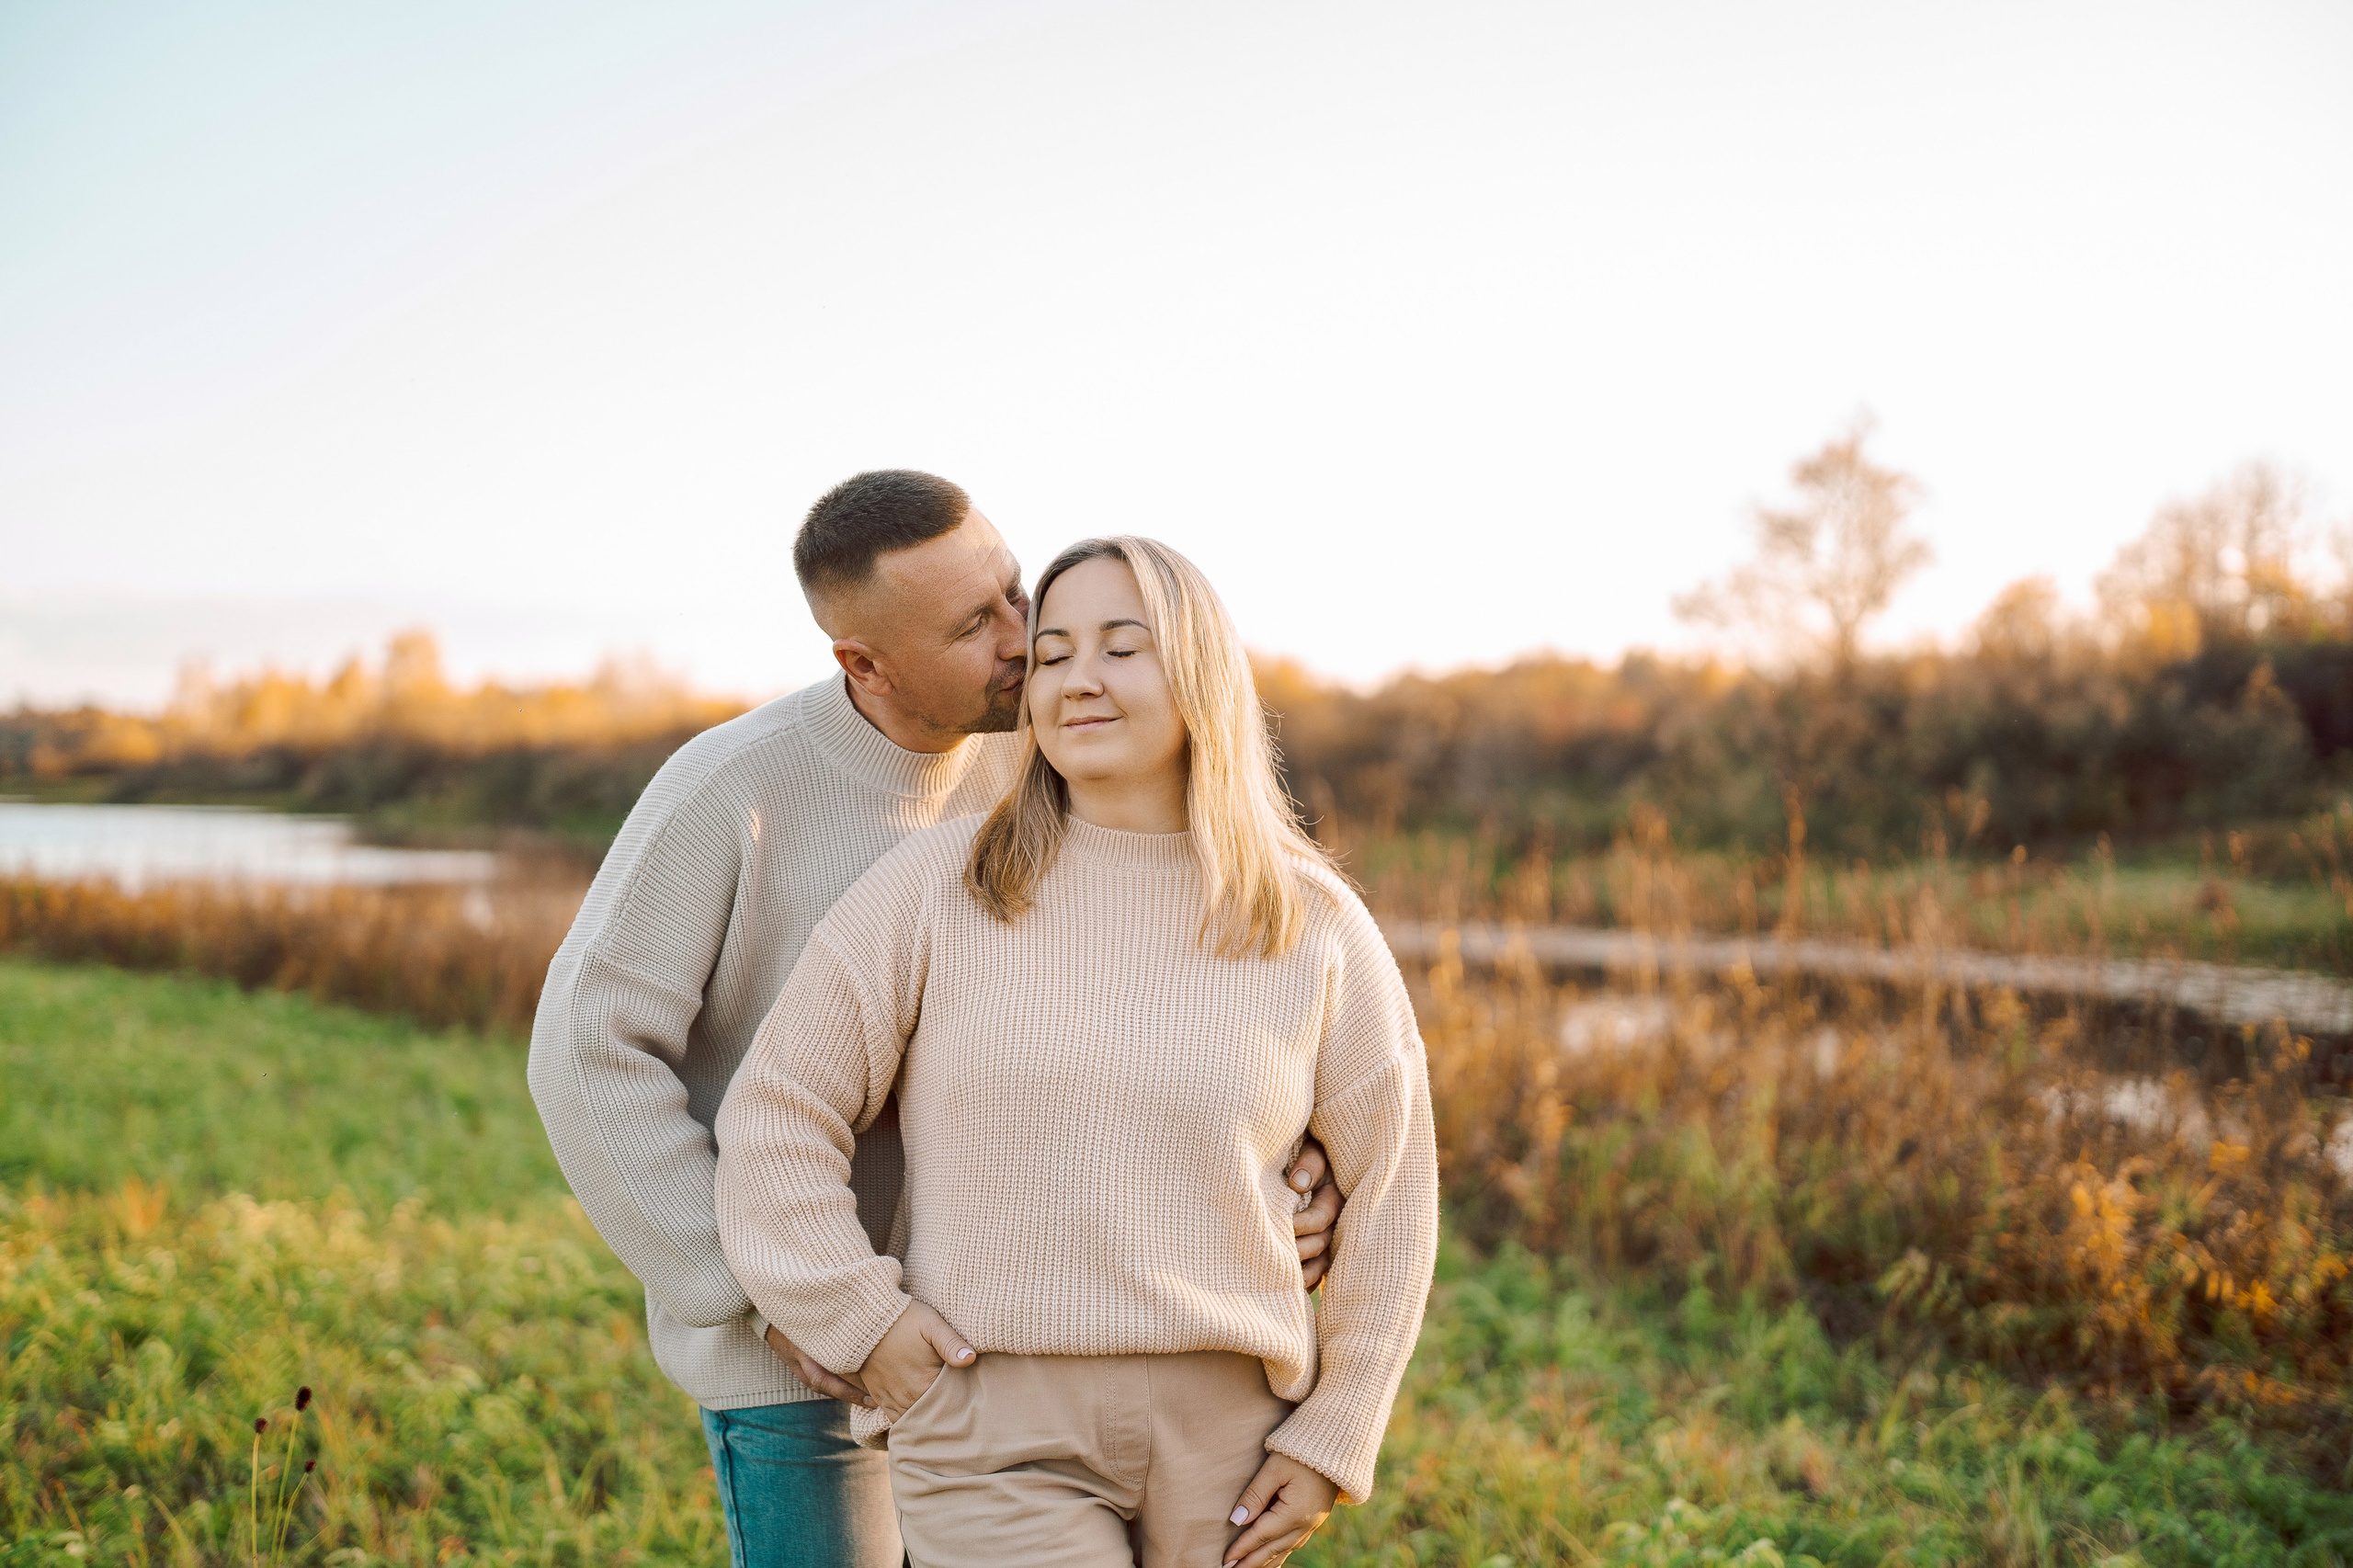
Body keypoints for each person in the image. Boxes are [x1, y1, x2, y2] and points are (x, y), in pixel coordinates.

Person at [528, 477, 1345, 1568]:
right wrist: (767, 1296)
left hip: (1012, 1355)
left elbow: (1168, 1004)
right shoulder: (731, 790)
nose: (1026, 640)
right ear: (864, 663)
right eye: (975, 626)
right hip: (809, 1361)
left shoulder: (1046, 769)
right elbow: (585, 1056)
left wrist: (1295, 1164)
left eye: (1014, 593)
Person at [714, 536, 1439, 1568]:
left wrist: (1336, 1430)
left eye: (1120, 646)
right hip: (989, 1421)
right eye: (1050, 654)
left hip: (1231, 1434)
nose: (1077, 679)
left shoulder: (1308, 917)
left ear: (1198, 674)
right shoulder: (935, 888)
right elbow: (780, 1108)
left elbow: (1392, 1189)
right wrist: (858, 1316)